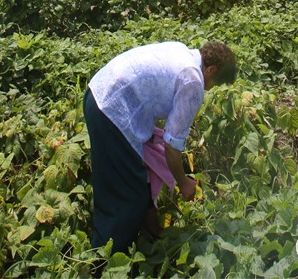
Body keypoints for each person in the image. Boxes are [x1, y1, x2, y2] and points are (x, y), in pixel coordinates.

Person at [83, 40, 237, 252]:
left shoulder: (181, 50)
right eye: (215, 84)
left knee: (119, 180)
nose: (210, 88)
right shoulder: (193, 81)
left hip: (97, 93)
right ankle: (106, 258)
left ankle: (149, 233)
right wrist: (184, 183)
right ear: (211, 70)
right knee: (129, 195)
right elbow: (172, 146)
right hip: (113, 111)